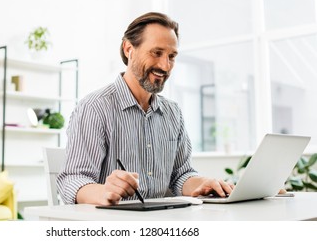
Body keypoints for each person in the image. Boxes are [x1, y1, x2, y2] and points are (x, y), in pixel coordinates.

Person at [56, 12, 234, 205]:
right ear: (128, 49)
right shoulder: (95, 108)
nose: (165, 66)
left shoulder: (173, 113)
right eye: (156, 53)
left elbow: (180, 176)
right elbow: (72, 180)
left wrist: (203, 183)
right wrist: (103, 192)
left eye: (171, 56)